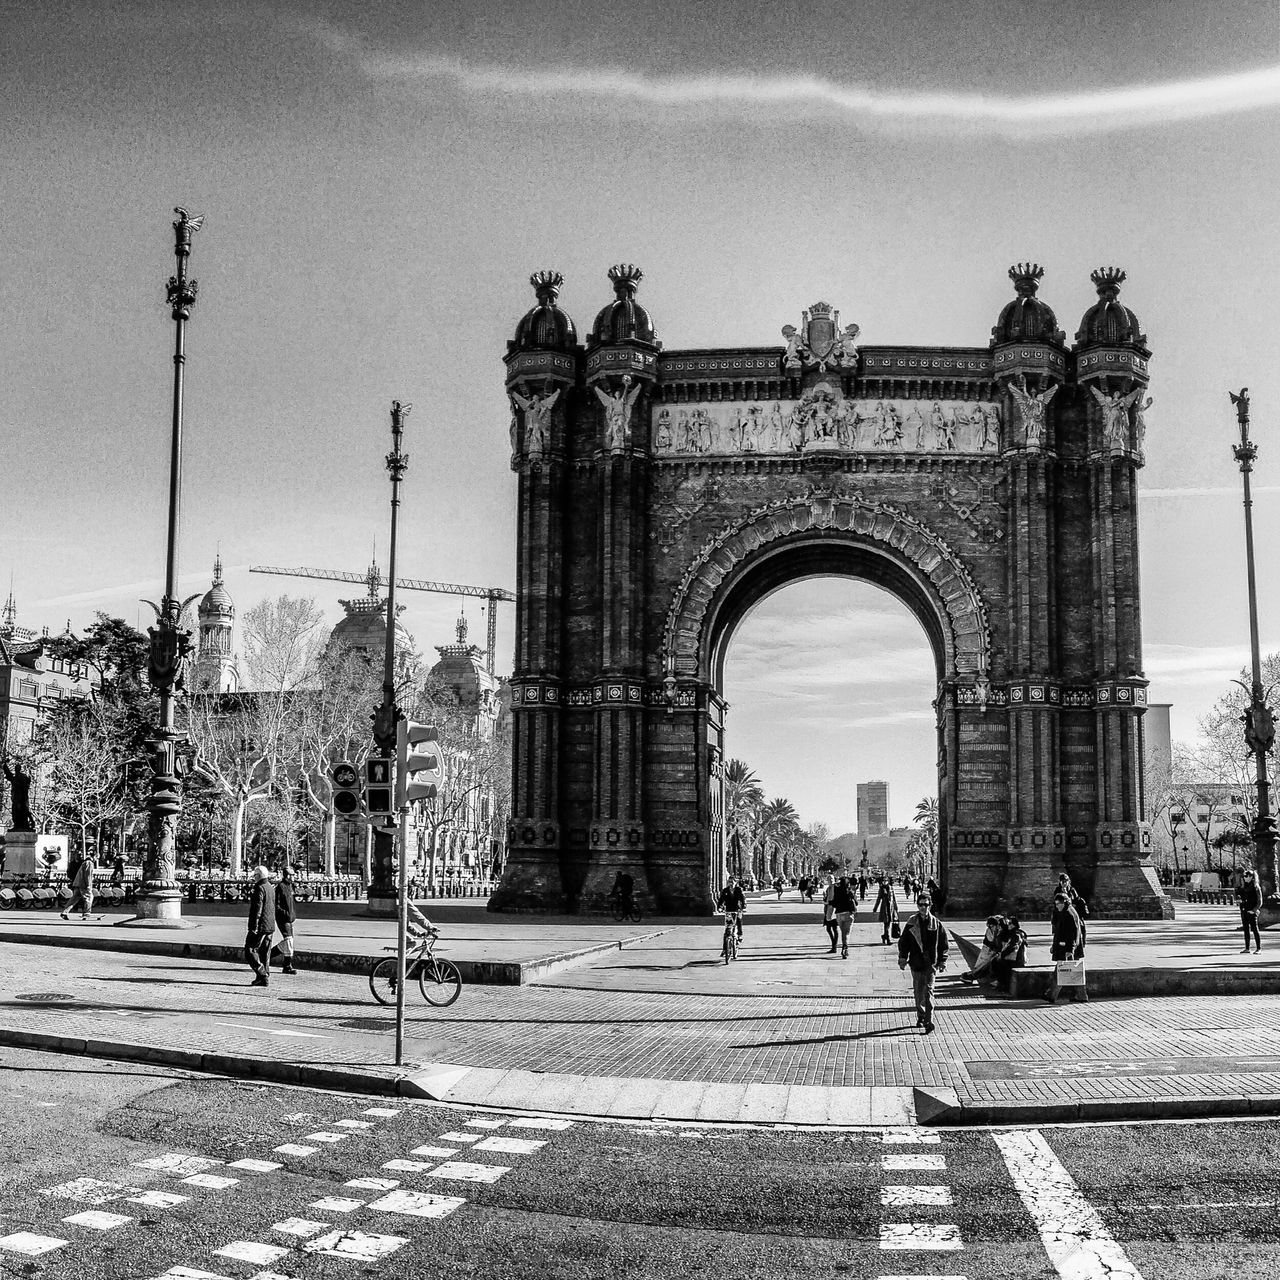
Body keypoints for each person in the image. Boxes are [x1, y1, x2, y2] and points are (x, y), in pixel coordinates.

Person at [898, 893, 948, 1033]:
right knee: (919, 993)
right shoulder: (911, 922)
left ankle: (928, 1020)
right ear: (917, 906)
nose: (923, 908)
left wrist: (942, 960)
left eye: (926, 905)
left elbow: (944, 944)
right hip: (916, 962)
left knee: (929, 992)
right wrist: (902, 958)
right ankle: (921, 1016)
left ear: (930, 905)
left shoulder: (936, 924)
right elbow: (904, 942)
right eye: (920, 905)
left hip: (930, 963)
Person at [1045, 890, 1087, 1003]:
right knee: (1072, 972)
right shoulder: (1066, 912)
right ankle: (1081, 996)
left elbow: (1071, 934)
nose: (1056, 905)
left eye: (1058, 903)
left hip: (1067, 949)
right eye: (1055, 903)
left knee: (1062, 972)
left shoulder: (1068, 914)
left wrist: (1070, 950)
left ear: (1064, 902)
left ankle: (1051, 995)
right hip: (1068, 947)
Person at [245, 865, 276, 988]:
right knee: (265, 951)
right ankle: (263, 976)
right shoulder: (270, 887)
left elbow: (257, 909)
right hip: (270, 924)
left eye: (255, 875)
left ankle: (261, 972)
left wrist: (254, 926)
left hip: (260, 925)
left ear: (258, 876)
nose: (254, 877)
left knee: (250, 950)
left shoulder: (259, 888)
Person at [961, 915, 1006, 984]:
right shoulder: (992, 931)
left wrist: (996, 952)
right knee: (984, 961)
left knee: (989, 962)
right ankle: (972, 974)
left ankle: (972, 975)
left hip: (1004, 955)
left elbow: (1003, 946)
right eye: (989, 926)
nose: (990, 928)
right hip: (996, 951)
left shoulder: (1003, 932)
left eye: (992, 926)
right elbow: (987, 942)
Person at [272, 863, 298, 975]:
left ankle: (267, 956)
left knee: (289, 940)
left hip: (289, 918)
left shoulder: (290, 886)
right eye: (292, 875)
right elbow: (276, 905)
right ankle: (286, 965)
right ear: (287, 876)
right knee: (288, 940)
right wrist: (286, 913)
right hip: (283, 918)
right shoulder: (280, 887)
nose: (294, 877)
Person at [991, 916, 1028, 992]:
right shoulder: (1013, 933)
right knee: (996, 961)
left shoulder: (1016, 935)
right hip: (1014, 958)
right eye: (1008, 923)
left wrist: (1002, 955)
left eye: (1010, 923)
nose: (1008, 925)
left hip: (1017, 960)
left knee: (1001, 963)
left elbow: (1012, 947)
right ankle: (1000, 983)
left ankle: (1002, 985)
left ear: (1014, 925)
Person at [61, 850, 97, 921]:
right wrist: (88, 885)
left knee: (74, 898)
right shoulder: (89, 863)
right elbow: (88, 875)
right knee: (89, 897)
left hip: (78, 883)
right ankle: (87, 913)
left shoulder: (84, 863)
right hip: (83, 884)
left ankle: (64, 912)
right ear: (94, 856)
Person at [715, 875, 747, 944]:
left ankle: (739, 935)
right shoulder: (725, 890)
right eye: (729, 882)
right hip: (729, 909)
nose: (731, 884)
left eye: (732, 882)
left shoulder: (739, 890)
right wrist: (720, 907)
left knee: (738, 920)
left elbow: (743, 899)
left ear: (735, 882)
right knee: (728, 927)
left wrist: (743, 907)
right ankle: (725, 949)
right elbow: (721, 900)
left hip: (737, 909)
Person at [1238, 869, 1263, 953]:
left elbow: (1260, 901)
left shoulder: (1256, 887)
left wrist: (1255, 910)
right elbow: (1241, 898)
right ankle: (1247, 948)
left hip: (1252, 910)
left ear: (1251, 877)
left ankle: (1258, 948)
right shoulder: (1244, 887)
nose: (1244, 878)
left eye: (1246, 876)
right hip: (1244, 910)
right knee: (1246, 929)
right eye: (1244, 876)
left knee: (1255, 929)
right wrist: (1240, 903)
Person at [832, 874, 857, 959]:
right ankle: (845, 948)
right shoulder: (850, 891)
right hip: (848, 914)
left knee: (843, 932)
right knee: (846, 933)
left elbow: (834, 903)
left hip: (839, 914)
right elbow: (856, 902)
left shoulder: (837, 891)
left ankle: (844, 947)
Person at [872, 877, 899, 945]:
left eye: (886, 881)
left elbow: (894, 898)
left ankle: (885, 936)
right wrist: (875, 908)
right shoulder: (881, 889)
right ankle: (887, 938)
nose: (885, 882)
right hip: (885, 908)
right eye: (884, 881)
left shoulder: (891, 888)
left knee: (889, 922)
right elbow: (878, 899)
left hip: (891, 907)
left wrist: (896, 906)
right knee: (886, 922)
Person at [820, 875, 839, 953]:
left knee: (834, 928)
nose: (830, 880)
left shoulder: (836, 888)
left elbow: (836, 899)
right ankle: (834, 945)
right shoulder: (828, 889)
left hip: (834, 910)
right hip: (828, 910)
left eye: (831, 879)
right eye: (829, 879)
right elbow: (827, 898)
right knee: (828, 929)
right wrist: (825, 898)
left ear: (834, 879)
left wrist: (828, 902)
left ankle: (834, 946)